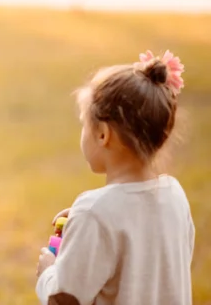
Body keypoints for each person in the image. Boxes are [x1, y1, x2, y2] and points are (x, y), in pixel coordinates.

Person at [36, 50, 194, 305]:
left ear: (102, 135)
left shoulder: (95, 213)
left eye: (84, 124)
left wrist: (47, 273)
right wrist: (84, 222)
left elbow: (64, 299)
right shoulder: (175, 195)